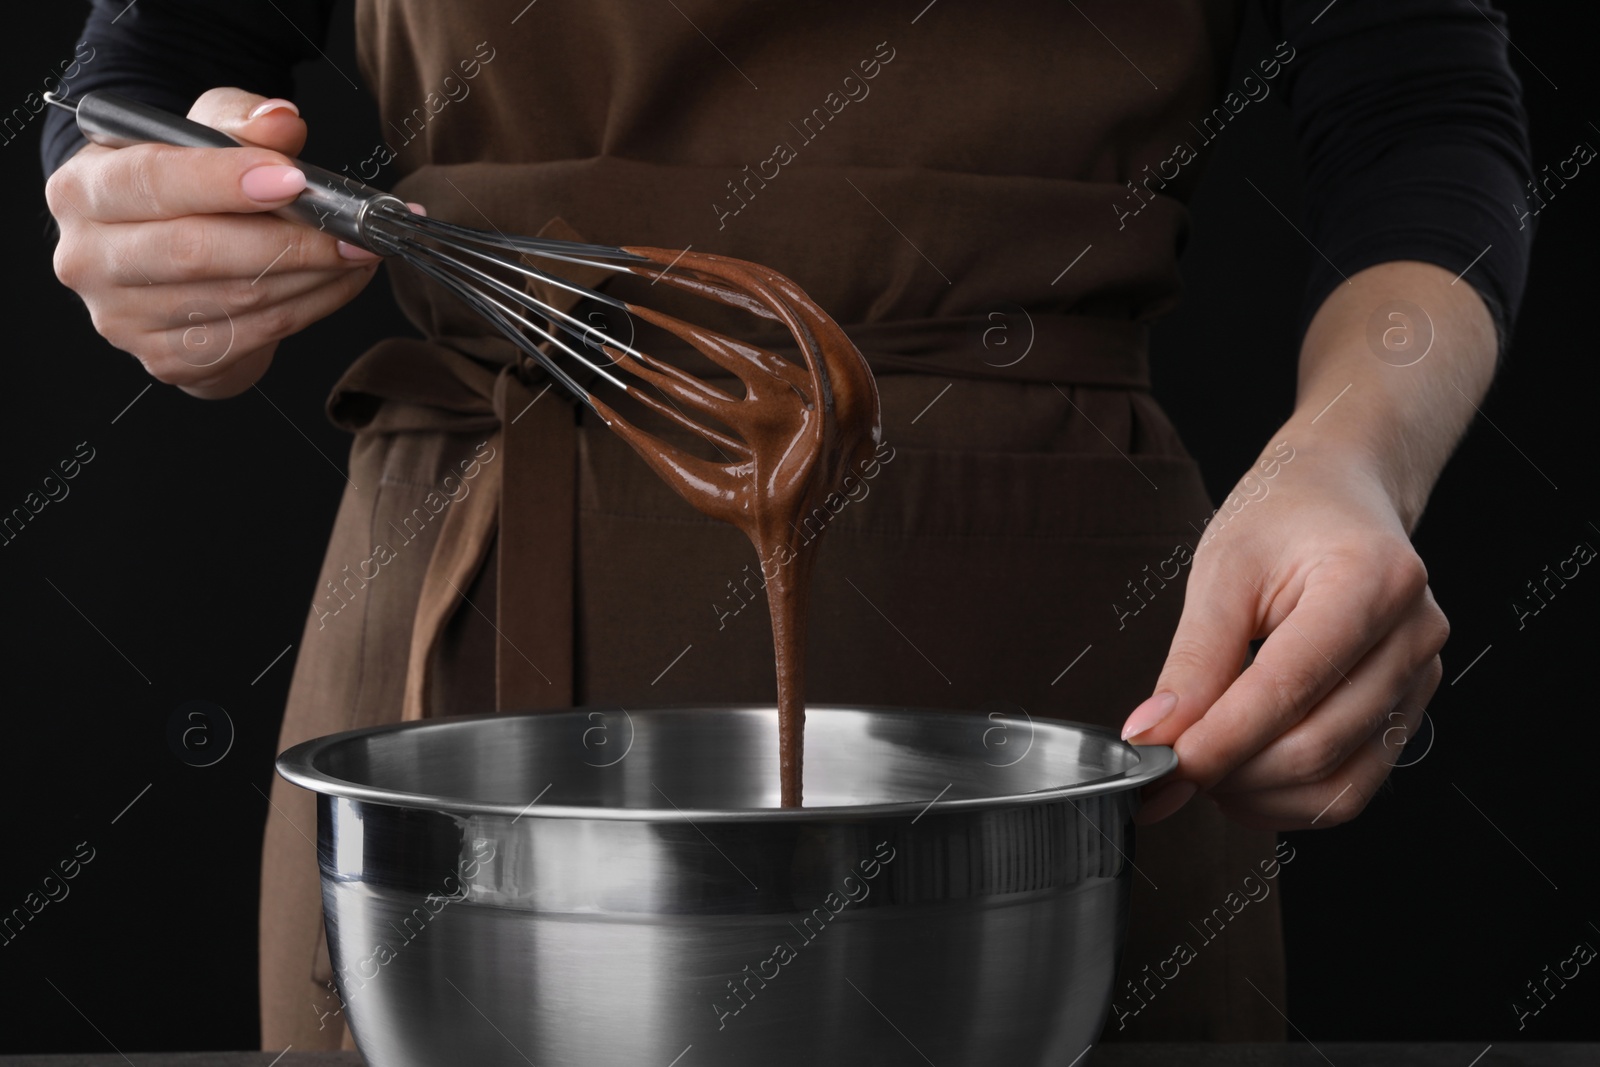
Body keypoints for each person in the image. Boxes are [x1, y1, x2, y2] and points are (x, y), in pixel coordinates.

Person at [40, 0, 1533, 1048]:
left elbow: (1416, 108)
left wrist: (1351, 464)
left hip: (1075, 686)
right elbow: (153, 65)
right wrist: (152, 212)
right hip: (459, 641)